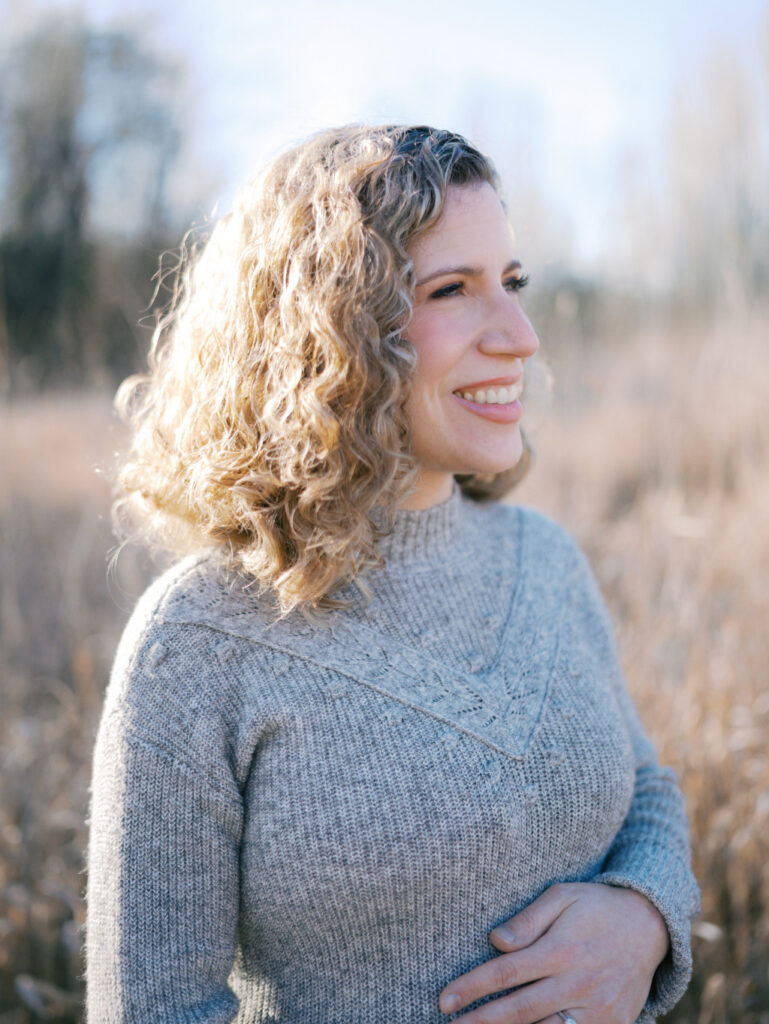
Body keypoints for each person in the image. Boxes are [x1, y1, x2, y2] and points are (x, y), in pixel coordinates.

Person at [86, 124, 699, 1024]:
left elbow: (646, 791)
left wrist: (644, 917)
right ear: (329, 328)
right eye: (453, 288)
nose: (521, 336)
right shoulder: (199, 641)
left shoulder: (545, 561)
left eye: (514, 283)